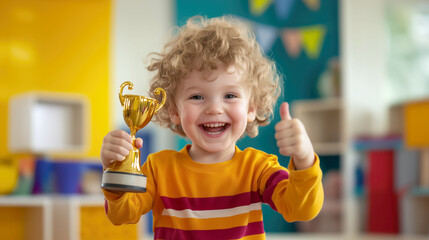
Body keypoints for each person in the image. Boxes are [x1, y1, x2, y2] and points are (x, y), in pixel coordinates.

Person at [100, 15, 323, 240]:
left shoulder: (259, 168)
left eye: (230, 95)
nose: (214, 108)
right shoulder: (158, 169)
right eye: (197, 96)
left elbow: (300, 210)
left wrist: (304, 159)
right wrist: (117, 167)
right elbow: (122, 215)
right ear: (174, 110)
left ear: (251, 107)